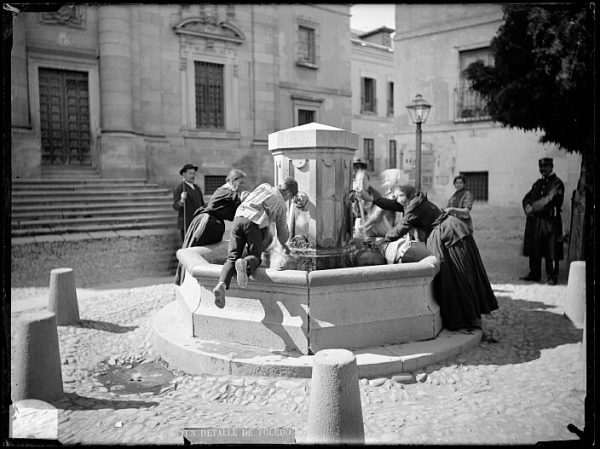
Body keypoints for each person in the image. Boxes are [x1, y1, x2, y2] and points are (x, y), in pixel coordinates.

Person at [359, 183, 498, 331]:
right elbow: (393, 204)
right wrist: (372, 199)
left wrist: (383, 241)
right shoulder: (414, 201)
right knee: (452, 274)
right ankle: (469, 316)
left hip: (449, 234)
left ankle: (470, 317)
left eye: (399, 194)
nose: (395, 197)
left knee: (460, 274)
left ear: (408, 195)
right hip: (448, 231)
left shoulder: (414, 207)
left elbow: (401, 228)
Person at [211, 178, 298, 308]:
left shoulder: (265, 186)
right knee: (256, 257)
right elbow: (282, 236)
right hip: (253, 225)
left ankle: (221, 284)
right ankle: (245, 264)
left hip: (238, 219)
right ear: (289, 194)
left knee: (232, 257)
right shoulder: (281, 205)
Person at [174, 169, 248, 285]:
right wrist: (244, 200)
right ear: (233, 181)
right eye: (242, 183)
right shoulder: (226, 191)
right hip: (206, 223)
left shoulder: (228, 192)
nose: (244, 186)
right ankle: (185, 282)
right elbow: (237, 205)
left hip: (213, 224)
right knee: (194, 251)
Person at [520, 157, 564, 285]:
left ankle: (552, 276)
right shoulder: (538, 183)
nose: (543, 169)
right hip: (535, 221)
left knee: (551, 249)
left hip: (550, 220)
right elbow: (527, 197)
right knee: (534, 247)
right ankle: (534, 273)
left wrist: (532, 208)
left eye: (545, 167)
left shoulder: (557, 183)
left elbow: (549, 200)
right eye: (541, 167)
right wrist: (527, 206)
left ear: (551, 167)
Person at [173, 163, 205, 242]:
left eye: (194, 173)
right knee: (187, 246)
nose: (192, 175)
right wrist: (182, 201)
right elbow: (175, 206)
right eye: (190, 173)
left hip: (198, 222)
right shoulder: (180, 188)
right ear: (184, 174)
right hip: (187, 224)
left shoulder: (197, 188)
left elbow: (202, 204)